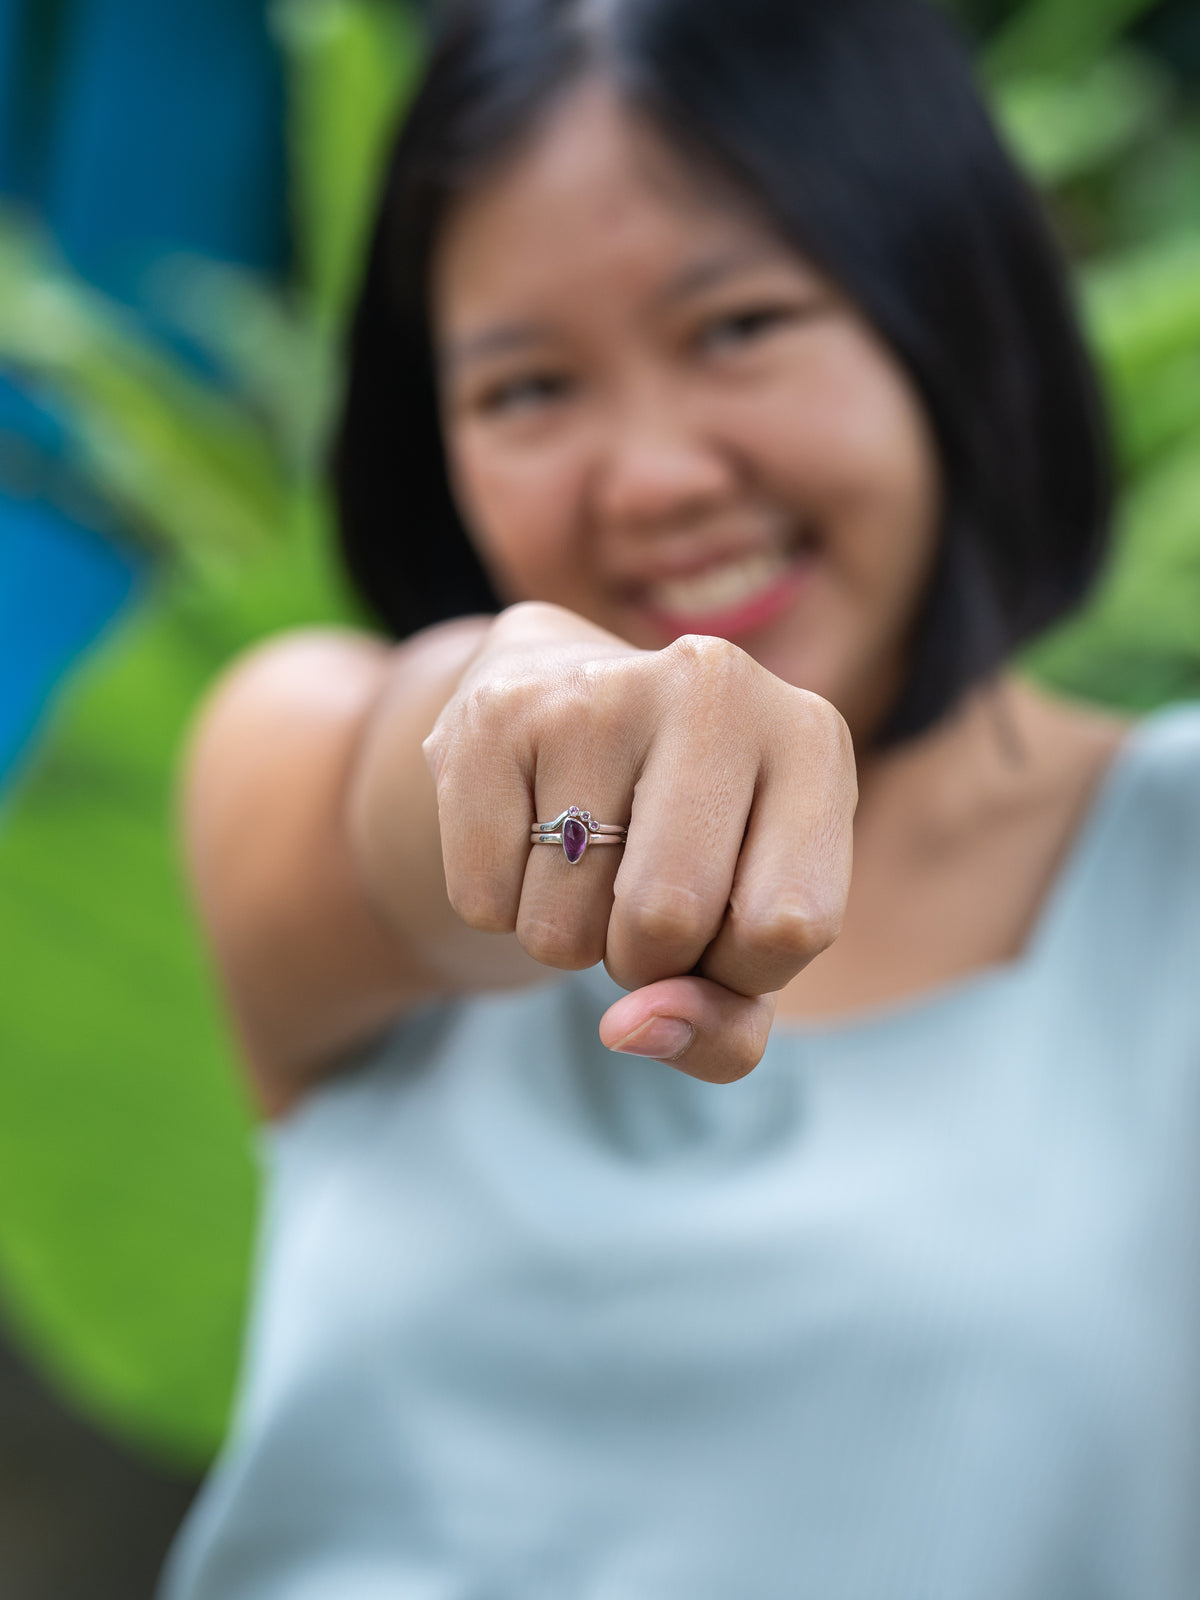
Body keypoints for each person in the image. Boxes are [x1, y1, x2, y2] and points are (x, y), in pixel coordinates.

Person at [160, 0, 1200, 1594]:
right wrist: (534, 717)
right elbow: (395, 809)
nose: (652, 478)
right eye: (525, 390)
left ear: (947, 313)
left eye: (739, 328)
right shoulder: (306, 749)